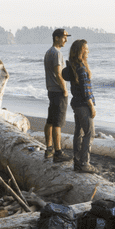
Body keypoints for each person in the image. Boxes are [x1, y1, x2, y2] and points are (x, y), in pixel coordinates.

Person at [65, 38, 97, 173]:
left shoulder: (75, 66)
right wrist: (92, 106)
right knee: (90, 133)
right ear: (80, 51)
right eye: (86, 49)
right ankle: (84, 163)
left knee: (79, 132)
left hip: (76, 103)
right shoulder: (81, 68)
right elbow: (85, 90)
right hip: (83, 105)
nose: (88, 51)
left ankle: (77, 162)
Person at [43, 29, 71, 161]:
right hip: (58, 91)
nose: (66, 40)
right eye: (64, 37)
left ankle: (49, 149)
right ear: (56, 38)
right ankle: (58, 153)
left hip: (51, 90)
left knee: (50, 120)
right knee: (57, 123)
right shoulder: (57, 53)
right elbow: (59, 74)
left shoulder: (49, 52)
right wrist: (64, 89)